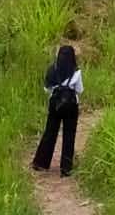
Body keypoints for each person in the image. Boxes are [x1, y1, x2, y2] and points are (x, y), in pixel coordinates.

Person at [31, 43, 82, 177]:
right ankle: (66, 168)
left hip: (55, 104)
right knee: (69, 135)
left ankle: (40, 162)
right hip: (71, 105)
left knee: (50, 132)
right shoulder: (76, 72)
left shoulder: (52, 70)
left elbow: (46, 88)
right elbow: (79, 90)